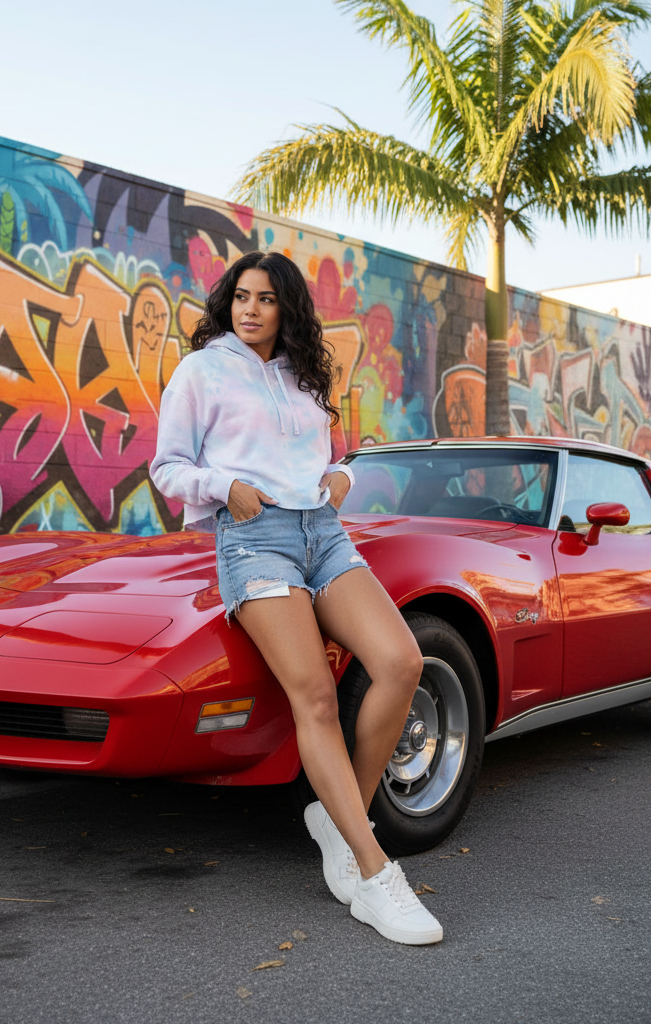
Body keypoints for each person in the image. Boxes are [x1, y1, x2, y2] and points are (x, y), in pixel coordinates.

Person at [150, 251, 442, 945]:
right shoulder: (203, 370)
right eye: (241, 297)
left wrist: (339, 475)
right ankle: (374, 873)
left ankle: (339, 821)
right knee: (312, 695)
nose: (250, 309)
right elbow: (167, 467)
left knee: (401, 661)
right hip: (255, 539)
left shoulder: (305, 372)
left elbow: (317, 455)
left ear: (287, 308)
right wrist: (225, 488)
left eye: (266, 299)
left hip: (325, 532)